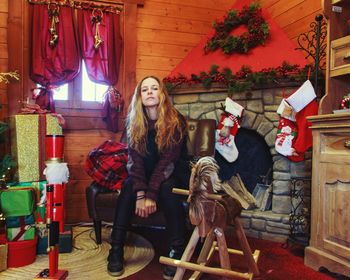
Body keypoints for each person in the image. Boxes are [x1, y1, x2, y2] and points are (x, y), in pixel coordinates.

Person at [107, 76, 189, 280]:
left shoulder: (176, 120)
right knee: (128, 185)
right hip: (146, 171)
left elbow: (168, 163)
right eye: (145, 89)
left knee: (167, 188)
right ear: (140, 96)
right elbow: (134, 162)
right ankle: (115, 248)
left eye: (154, 88)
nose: (150, 92)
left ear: (162, 94)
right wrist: (140, 193)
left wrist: (150, 195)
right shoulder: (134, 122)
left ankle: (176, 250)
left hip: (173, 172)